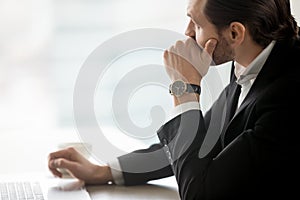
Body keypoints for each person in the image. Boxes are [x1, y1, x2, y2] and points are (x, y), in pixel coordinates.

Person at [48, 0, 300, 199]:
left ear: (235, 33)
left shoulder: (286, 97)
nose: (187, 33)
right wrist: (104, 172)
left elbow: (199, 193)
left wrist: (185, 90)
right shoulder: (256, 62)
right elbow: (194, 145)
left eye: (196, 24)